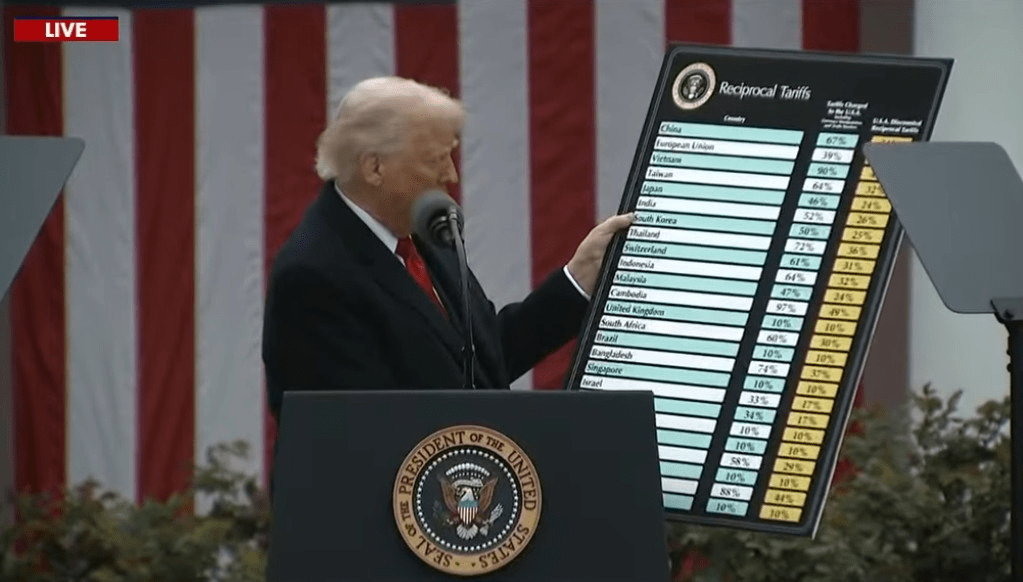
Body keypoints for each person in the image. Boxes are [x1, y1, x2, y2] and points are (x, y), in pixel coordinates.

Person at [261, 76, 633, 422]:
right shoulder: (313, 276)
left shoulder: (421, 229)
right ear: (374, 168)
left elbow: (477, 363)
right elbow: (357, 430)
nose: (451, 176)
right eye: (436, 160)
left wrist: (577, 280)